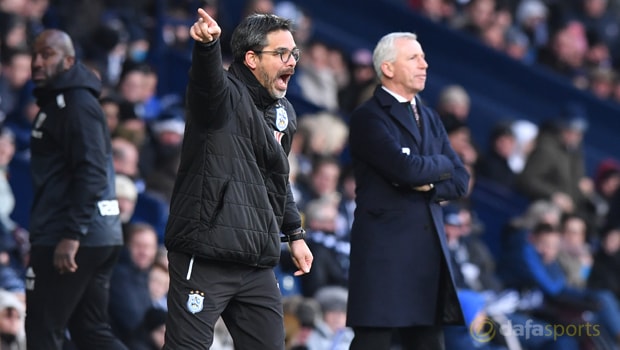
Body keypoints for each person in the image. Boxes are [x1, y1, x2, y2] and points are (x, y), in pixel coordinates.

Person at [163, 9, 313, 350]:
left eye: (294, 54)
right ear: (251, 58)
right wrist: (208, 47)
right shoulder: (221, 95)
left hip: (256, 258)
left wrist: (295, 235)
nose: (291, 62)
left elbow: (279, 178)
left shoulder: (284, 112)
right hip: (205, 254)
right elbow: (206, 81)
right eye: (280, 54)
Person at [346, 32, 470, 350]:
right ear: (387, 68)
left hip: (427, 253)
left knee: (429, 343)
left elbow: (460, 180)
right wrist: (439, 162)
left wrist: (426, 177)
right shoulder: (368, 117)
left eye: (423, 57)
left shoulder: (429, 116)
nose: (424, 64)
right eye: (414, 58)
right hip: (383, 255)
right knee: (372, 342)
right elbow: (405, 170)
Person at [25, 29, 126, 349]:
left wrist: (72, 234)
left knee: (43, 330)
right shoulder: (63, 101)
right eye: (36, 54)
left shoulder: (75, 103)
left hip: (71, 236)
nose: (38, 62)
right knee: (90, 331)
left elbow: (92, 172)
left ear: (69, 61)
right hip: (95, 233)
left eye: (48, 54)